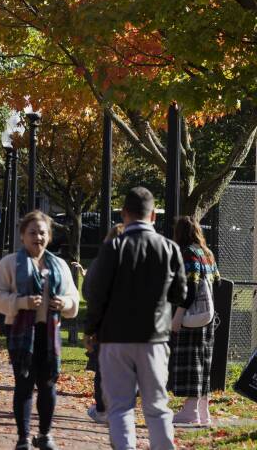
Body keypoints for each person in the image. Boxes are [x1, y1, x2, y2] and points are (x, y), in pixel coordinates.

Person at [85, 187, 187, 450]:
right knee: (157, 406)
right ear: (153, 215)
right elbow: (181, 292)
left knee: (120, 407)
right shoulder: (169, 248)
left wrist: (91, 329)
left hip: (115, 337)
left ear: (123, 214)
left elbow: (96, 292)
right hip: (154, 337)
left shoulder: (113, 247)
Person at [0, 211, 80, 450]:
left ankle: (45, 434)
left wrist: (65, 303)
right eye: (32, 232)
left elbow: (74, 298)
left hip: (49, 333)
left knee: (48, 384)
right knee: (24, 384)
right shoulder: (10, 263)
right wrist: (22, 302)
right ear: (22, 236)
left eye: (42, 232)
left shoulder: (59, 265)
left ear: (49, 236)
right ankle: (23, 437)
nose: (37, 237)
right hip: (21, 333)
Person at [169, 216, 220, 427]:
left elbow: (189, 288)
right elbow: (217, 282)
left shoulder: (188, 253)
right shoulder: (207, 253)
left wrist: (178, 315)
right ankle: (203, 411)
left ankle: (190, 411)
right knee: (203, 363)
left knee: (191, 363)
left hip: (191, 318)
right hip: (208, 318)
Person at [80, 223, 126, 425]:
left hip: (104, 323)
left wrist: (90, 329)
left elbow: (90, 293)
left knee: (102, 368)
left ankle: (102, 408)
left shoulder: (100, 263)